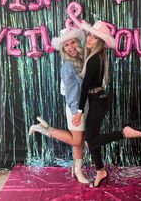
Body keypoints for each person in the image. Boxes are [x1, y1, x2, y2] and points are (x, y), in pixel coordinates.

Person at [72, 20, 141, 188]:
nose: (89, 39)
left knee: (91, 140)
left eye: (94, 37)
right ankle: (101, 171)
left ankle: (124, 133)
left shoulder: (94, 60)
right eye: (89, 35)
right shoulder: (96, 57)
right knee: (91, 139)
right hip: (98, 100)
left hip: (97, 101)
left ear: (100, 42)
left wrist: (78, 111)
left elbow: (85, 87)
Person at [29, 28, 89, 184]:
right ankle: (43, 129)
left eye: (73, 43)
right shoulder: (68, 66)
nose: (71, 47)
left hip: (85, 106)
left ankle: (77, 171)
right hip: (76, 108)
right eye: (67, 45)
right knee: (76, 141)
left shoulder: (82, 60)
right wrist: (77, 112)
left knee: (79, 142)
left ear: (78, 43)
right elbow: (71, 93)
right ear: (64, 49)